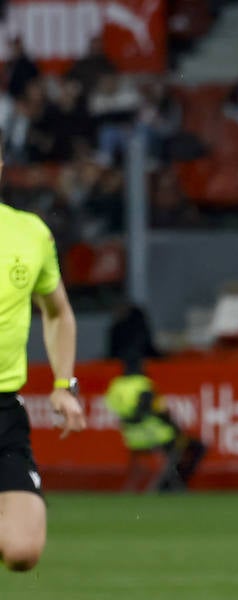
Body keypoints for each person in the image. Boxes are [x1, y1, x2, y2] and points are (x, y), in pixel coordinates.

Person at [0, 136, 86, 572]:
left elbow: (57, 313)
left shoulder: (30, 233)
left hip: (3, 412)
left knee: (22, 551)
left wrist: (62, 385)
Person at [103, 356, 205, 492]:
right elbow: (159, 411)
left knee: (177, 450)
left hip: (132, 439)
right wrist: (177, 430)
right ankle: (169, 485)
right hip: (156, 437)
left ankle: (167, 483)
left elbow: (113, 409)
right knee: (196, 447)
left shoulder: (115, 386)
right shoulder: (143, 384)